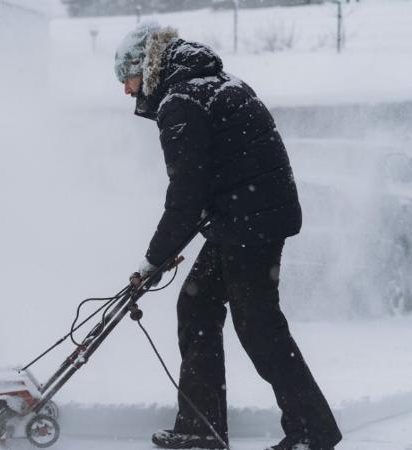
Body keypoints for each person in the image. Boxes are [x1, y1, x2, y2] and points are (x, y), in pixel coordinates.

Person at [114, 22, 342, 450]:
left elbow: (186, 194)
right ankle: (203, 428)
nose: (126, 91)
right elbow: (214, 178)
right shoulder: (210, 82)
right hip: (247, 216)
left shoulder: (181, 100)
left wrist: (152, 261)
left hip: (251, 221)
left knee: (259, 326)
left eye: (125, 78)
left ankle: (313, 432)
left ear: (142, 69)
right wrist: (172, 246)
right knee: (198, 304)